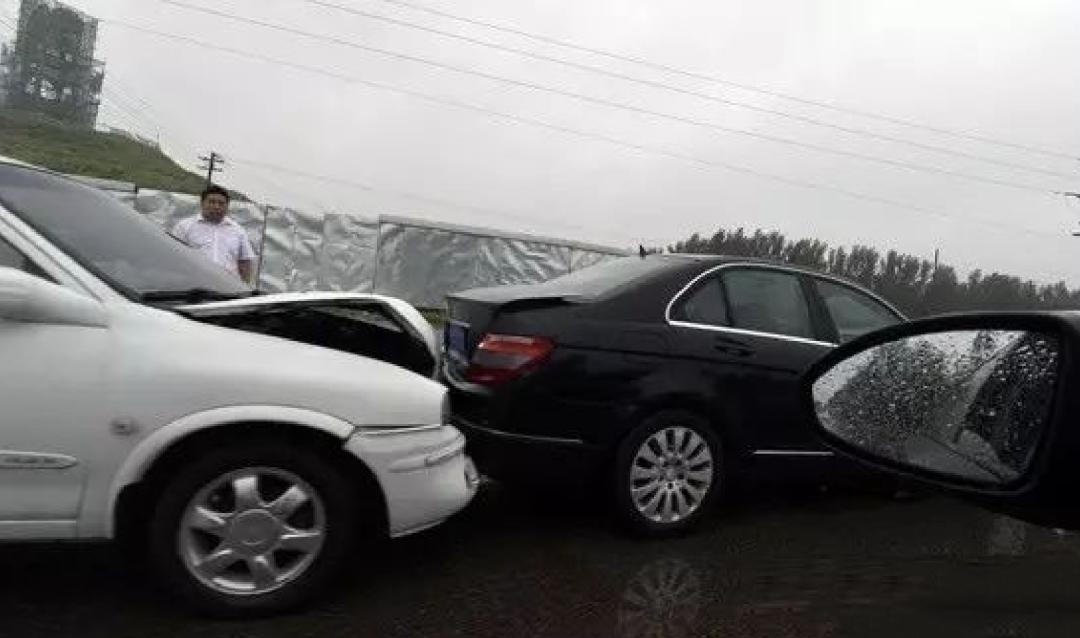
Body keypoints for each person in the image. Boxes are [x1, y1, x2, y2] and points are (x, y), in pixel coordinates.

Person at [172, 184, 256, 283]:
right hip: (194, 284)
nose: (216, 206)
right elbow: (174, 256)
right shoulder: (184, 227)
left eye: (221, 203)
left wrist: (245, 287)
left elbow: (245, 262)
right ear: (202, 203)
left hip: (228, 287)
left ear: (227, 206)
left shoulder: (238, 231)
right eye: (212, 202)